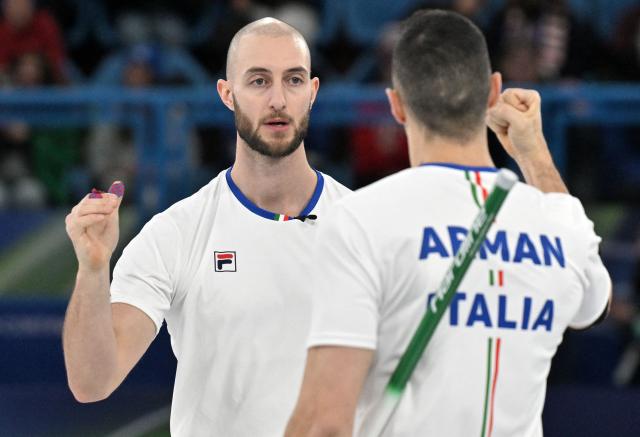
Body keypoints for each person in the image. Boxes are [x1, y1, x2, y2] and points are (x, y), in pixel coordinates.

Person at [285, 10, 611, 437]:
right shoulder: (558, 223)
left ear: (397, 106)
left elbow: (323, 425)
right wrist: (534, 154)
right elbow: (595, 306)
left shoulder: (359, 220)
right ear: (494, 91)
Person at [62, 18, 350, 436]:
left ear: (313, 92)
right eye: (258, 81)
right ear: (227, 94)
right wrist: (91, 271)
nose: (278, 99)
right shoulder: (176, 233)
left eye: (293, 79)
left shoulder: (365, 228)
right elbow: (91, 383)